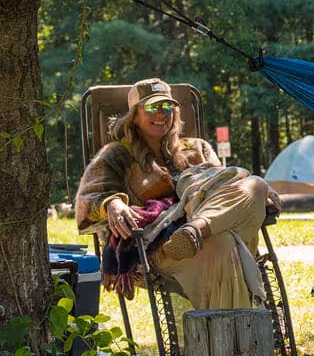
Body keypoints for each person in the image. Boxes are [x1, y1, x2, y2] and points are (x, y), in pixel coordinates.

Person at [76, 77, 274, 310]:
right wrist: (112, 203)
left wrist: (264, 194)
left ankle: (196, 228)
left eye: (167, 106)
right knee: (224, 244)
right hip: (157, 244)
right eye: (151, 107)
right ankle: (243, 336)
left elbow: (224, 187)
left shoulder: (197, 148)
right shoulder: (118, 154)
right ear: (134, 115)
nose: (161, 114)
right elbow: (86, 202)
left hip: (205, 230)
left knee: (256, 185)